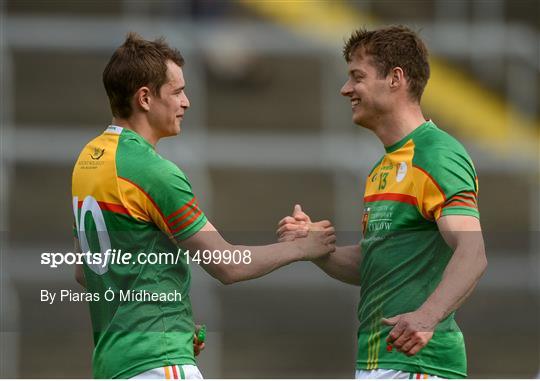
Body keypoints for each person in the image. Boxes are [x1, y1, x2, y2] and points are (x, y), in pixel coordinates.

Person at [71, 32, 335, 379]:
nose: (187, 102)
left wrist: (165, 316)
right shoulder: (152, 171)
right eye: (177, 91)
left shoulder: (88, 160)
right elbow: (227, 266)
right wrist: (303, 247)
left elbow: (83, 271)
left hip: (113, 364)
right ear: (146, 98)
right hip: (156, 362)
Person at [277, 26, 487, 379]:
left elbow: (473, 251)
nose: (346, 89)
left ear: (396, 79)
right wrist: (316, 248)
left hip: (419, 364)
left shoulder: (437, 154)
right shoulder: (383, 168)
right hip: (380, 361)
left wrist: (427, 315)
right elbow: (373, 263)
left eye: (357, 77)